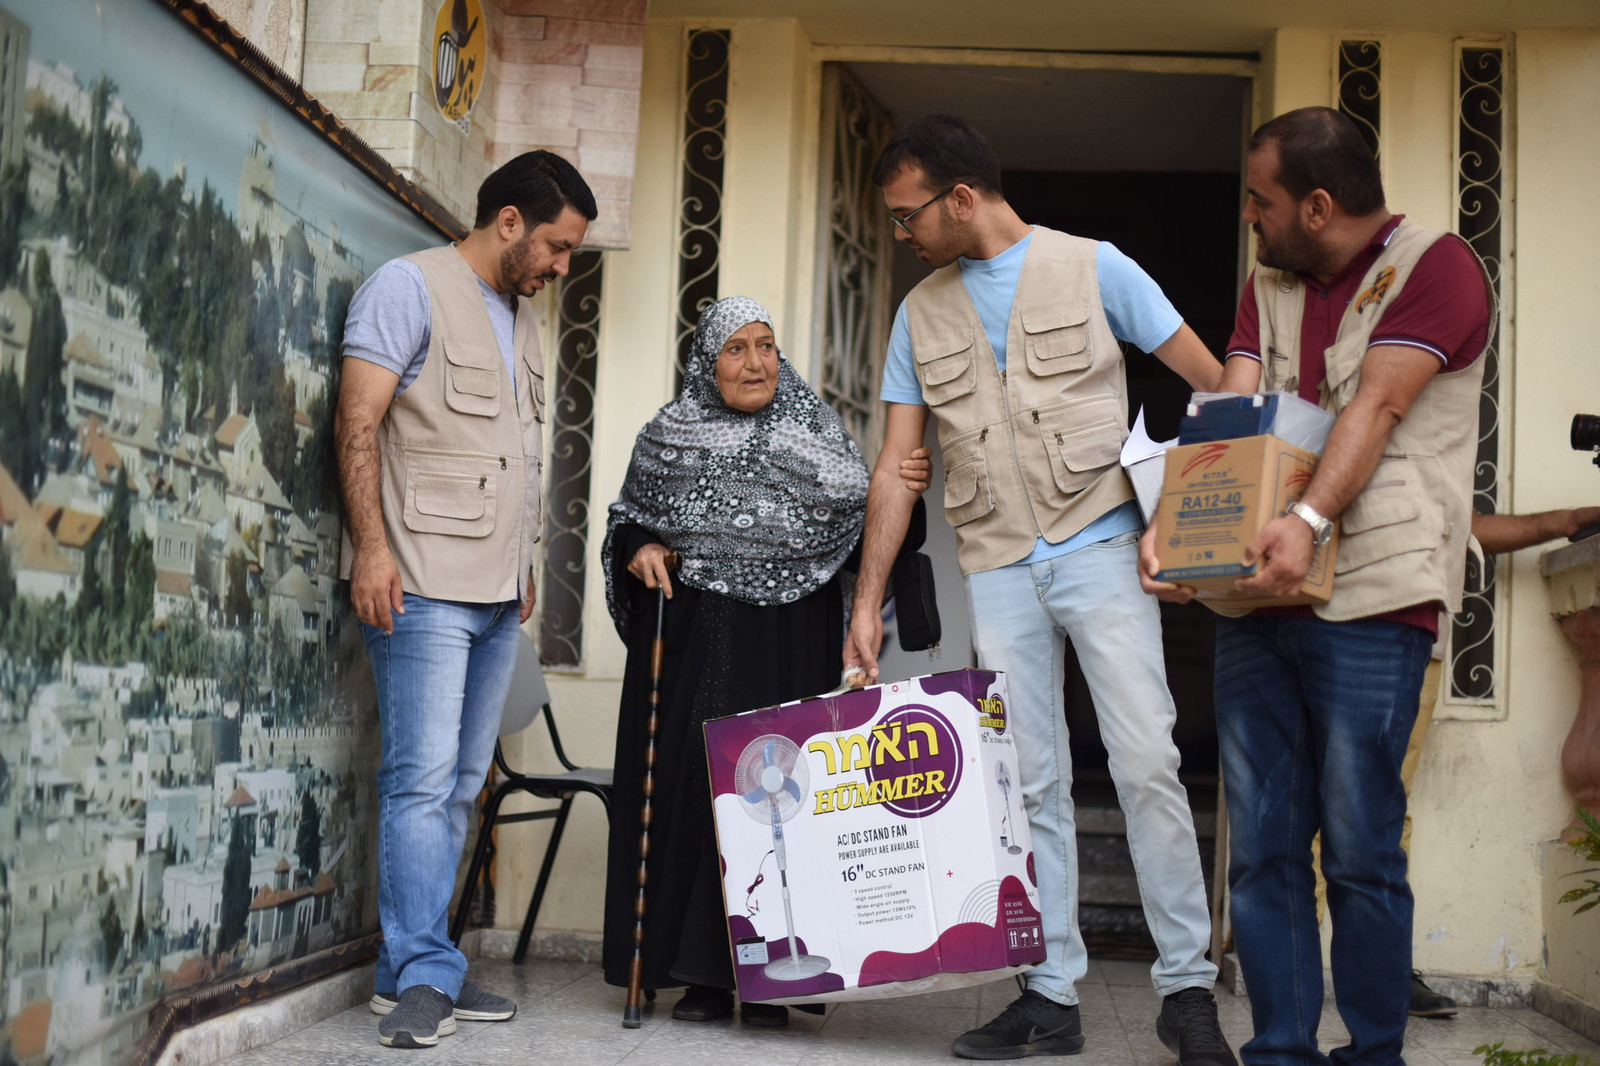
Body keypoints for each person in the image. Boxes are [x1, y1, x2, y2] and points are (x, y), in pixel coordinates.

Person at [842, 113, 1236, 1065]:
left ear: (961, 198)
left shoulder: (1098, 267)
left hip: (1104, 550)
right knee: (1028, 782)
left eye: (906, 218)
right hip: (998, 565)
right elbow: (899, 465)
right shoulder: (915, 313)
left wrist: (1187, 536)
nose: (901, 236)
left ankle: (1187, 992)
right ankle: (1049, 995)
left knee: (1147, 762)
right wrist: (867, 602)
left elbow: (1219, 389)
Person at [1139, 106, 1494, 1065]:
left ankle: (1373, 1052)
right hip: (1258, 598)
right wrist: (1179, 535)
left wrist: (1302, 523)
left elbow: (1376, 405)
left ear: (1319, 204)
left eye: (1262, 201)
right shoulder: (1271, 278)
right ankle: (1282, 1051)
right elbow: (1237, 412)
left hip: (1376, 600)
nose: (1251, 217)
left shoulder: (1438, 268)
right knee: (1260, 847)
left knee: (1362, 850)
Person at [335, 150, 596, 1048]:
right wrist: (371, 550)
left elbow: (509, 455)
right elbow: (357, 421)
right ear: (511, 221)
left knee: (454, 789)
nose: (564, 267)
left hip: (493, 598)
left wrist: (524, 566)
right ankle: (425, 972)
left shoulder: (523, 320)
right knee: (418, 782)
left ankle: (410, 969)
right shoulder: (406, 288)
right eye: (558, 247)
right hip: (418, 587)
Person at [600, 295, 870, 1027]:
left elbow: (866, 520)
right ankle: (702, 976)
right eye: (736, 349)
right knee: (700, 791)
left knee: (779, 800)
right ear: (707, 361)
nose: (756, 362)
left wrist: (909, 488)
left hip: (793, 640)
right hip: (701, 641)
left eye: (766, 346)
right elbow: (629, 520)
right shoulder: (668, 436)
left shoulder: (817, 433)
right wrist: (644, 547)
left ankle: (776, 979)